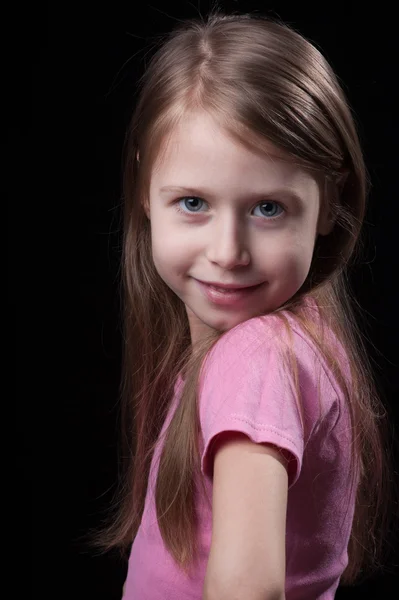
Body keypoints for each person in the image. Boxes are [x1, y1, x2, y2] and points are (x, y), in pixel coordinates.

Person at [95, 8, 397, 600]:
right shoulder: (294, 339)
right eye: (193, 202)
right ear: (143, 191)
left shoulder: (256, 358)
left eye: (267, 208)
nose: (228, 252)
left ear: (332, 200)